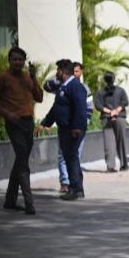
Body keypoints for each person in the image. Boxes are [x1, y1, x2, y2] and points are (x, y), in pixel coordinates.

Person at [0, 46, 43, 214]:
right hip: (14, 124)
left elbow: (39, 97)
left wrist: (34, 76)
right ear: (9, 61)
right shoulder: (2, 78)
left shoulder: (27, 77)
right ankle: (29, 203)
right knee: (23, 163)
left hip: (28, 123)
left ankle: (10, 201)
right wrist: (7, 114)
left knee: (20, 160)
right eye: (15, 59)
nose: (18, 62)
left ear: (24, 61)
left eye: (20, 59)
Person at [39, 59, 88, 201]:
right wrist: (45, 122)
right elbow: (56, 108)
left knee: (71, 158)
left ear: (63, 71)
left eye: (58, 70)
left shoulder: (75, 86)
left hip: (72, 129)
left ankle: (76, 190)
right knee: (70, 158)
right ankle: (77, 188)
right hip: (65, 128)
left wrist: (77, 127)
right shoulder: (63, 86)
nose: (57, 73)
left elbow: (80, 108)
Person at [95, 71, 129, 172]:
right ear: (114, 79)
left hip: (107, 118)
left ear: (105, 80)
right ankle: (124, 164)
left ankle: (110, 166)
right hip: (119, 117)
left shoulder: (100, 92)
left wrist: (109, 111)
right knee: (121, 142)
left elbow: (98, 105)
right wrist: (116, 111)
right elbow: (125, 102)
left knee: (108, 143)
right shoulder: (121, 90)